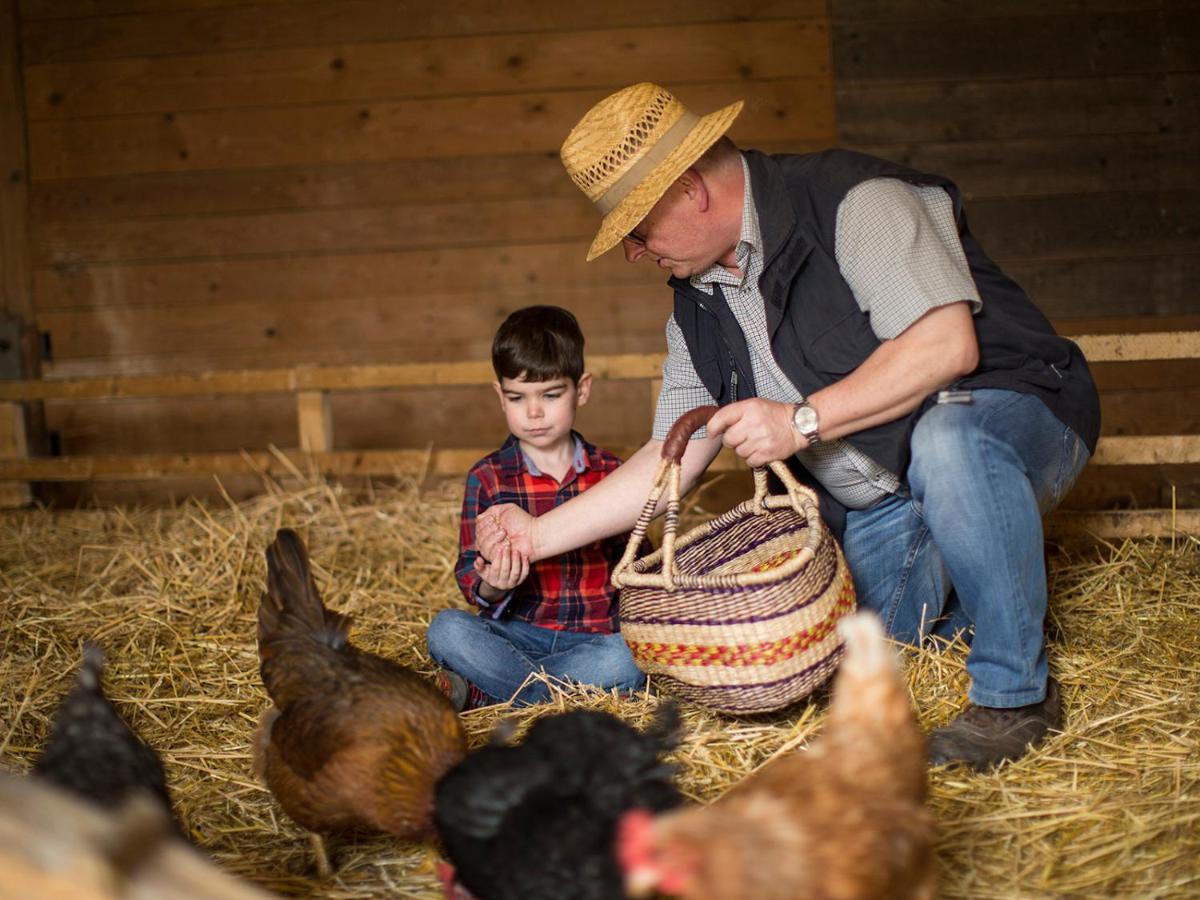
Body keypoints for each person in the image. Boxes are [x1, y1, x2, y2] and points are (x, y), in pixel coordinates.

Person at [476, 83, 1100, 770]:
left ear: (689, 190)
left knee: (947, 440)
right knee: (852, 662)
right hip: (883, 495)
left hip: (1016, 416)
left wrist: (801, 422)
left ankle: (1015, 697)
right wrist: (536, 535)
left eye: (637, 230)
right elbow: (669, 455)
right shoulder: (697, 303)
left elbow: (947, 346)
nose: (633, 252)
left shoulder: (853, 202)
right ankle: (983, 589)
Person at [426, 305, 646, 710]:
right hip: (518, 632)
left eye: (550, 394)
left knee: (630, 657)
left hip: (595, 637)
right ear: (499, 395)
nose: (533, 412)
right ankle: (558, 695)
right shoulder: (488, 477)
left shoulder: (614, 473)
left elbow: (639, 564)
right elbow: (470, 576)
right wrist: (495, 583)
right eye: (517, 397)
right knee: (447, 630)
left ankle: (490, 692)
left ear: (582, 389)